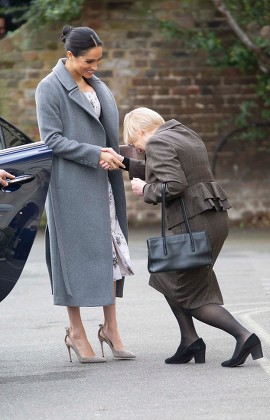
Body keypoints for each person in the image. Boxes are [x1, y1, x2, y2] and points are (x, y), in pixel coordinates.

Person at [106, 107, 263, 368]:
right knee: (166, 276)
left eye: (136, 144)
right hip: (212, 217)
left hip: (193, 223)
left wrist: (145, 189)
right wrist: (125, 164)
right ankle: (189, 340)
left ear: (143, 132)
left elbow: (174, 185)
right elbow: (169, 169)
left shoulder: (157, 142)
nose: (140, 149)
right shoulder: (182, 133)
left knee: (190, 295)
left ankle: (244, 336)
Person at [35, 25, 135, 363]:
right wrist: (95, 154)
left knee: (110, 253)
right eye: (89, 61)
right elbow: (52, 140)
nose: (95, 67)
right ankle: (75, 331)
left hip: (103, 183)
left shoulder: (97, 85)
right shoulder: (48, 89)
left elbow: (104, 133)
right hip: (70, 187)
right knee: (72, 258)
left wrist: (122, 154)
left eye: (98, 61)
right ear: (70, 56)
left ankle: (111, 329)